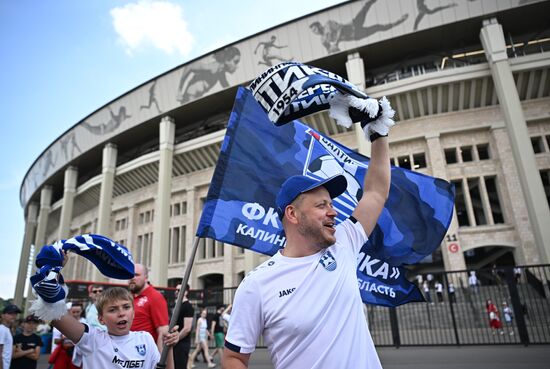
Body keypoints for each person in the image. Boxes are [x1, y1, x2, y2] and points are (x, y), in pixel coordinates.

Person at [223, 121, 392, 368]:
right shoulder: (256, 285)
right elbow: (233, 358)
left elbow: (376, 192)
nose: (333, 212)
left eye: (332, 204)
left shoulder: (343, 243)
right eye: (321, 205)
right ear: (292, 214)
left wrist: (379, 134)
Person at [49, 286, 179, 369]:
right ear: (101, 319)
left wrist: (169, 346)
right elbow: (53, 314)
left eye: (126, 307)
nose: (121, 313)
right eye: (112, 309)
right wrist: (53, 272)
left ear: (133, 313)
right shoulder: (92, 339)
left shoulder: (145, 339)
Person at [309, 0, 408, 53]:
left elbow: (340, 28)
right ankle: (398, 22)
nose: (315, 32)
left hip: (353, 25)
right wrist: (334, 51)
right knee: (377, 28)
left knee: (365, 7)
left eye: (315, 29)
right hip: (356, 35)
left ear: (319, 25)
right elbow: (329, 50)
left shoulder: (328, 24)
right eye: (313, 31)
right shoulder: (323, 40)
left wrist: (337, 42)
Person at [176, 47, 241, 104]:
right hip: (189, 97)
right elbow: (189, 66)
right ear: (227, 60)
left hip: (196, 98)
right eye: (235, 62)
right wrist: (179, 90)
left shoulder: (220, 73)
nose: (237, 66)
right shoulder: (213, 67)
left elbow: (226, 87)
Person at [129, 263, 170, 351]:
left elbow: (163, 332)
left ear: (146, 277)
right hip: (128, 355)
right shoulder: (129, 297)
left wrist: (160, 362)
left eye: (136, 275)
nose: (132, 278)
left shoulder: (155, 297)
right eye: (130, 274)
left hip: (145, 355)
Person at [173, 284, 194, 369]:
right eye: (176, 290)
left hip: (182, 343)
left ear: (185, 292)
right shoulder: (178, 305)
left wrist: (177, 338)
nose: (176, 292)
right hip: (177, 343)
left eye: (179, 290)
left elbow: (187, 328)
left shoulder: (187, 306)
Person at [1, 304, 21, 369]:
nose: (14, 316)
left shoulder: (7, 329)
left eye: (15, 314)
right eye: (10, 313)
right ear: (2, 315)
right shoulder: (2, 329)